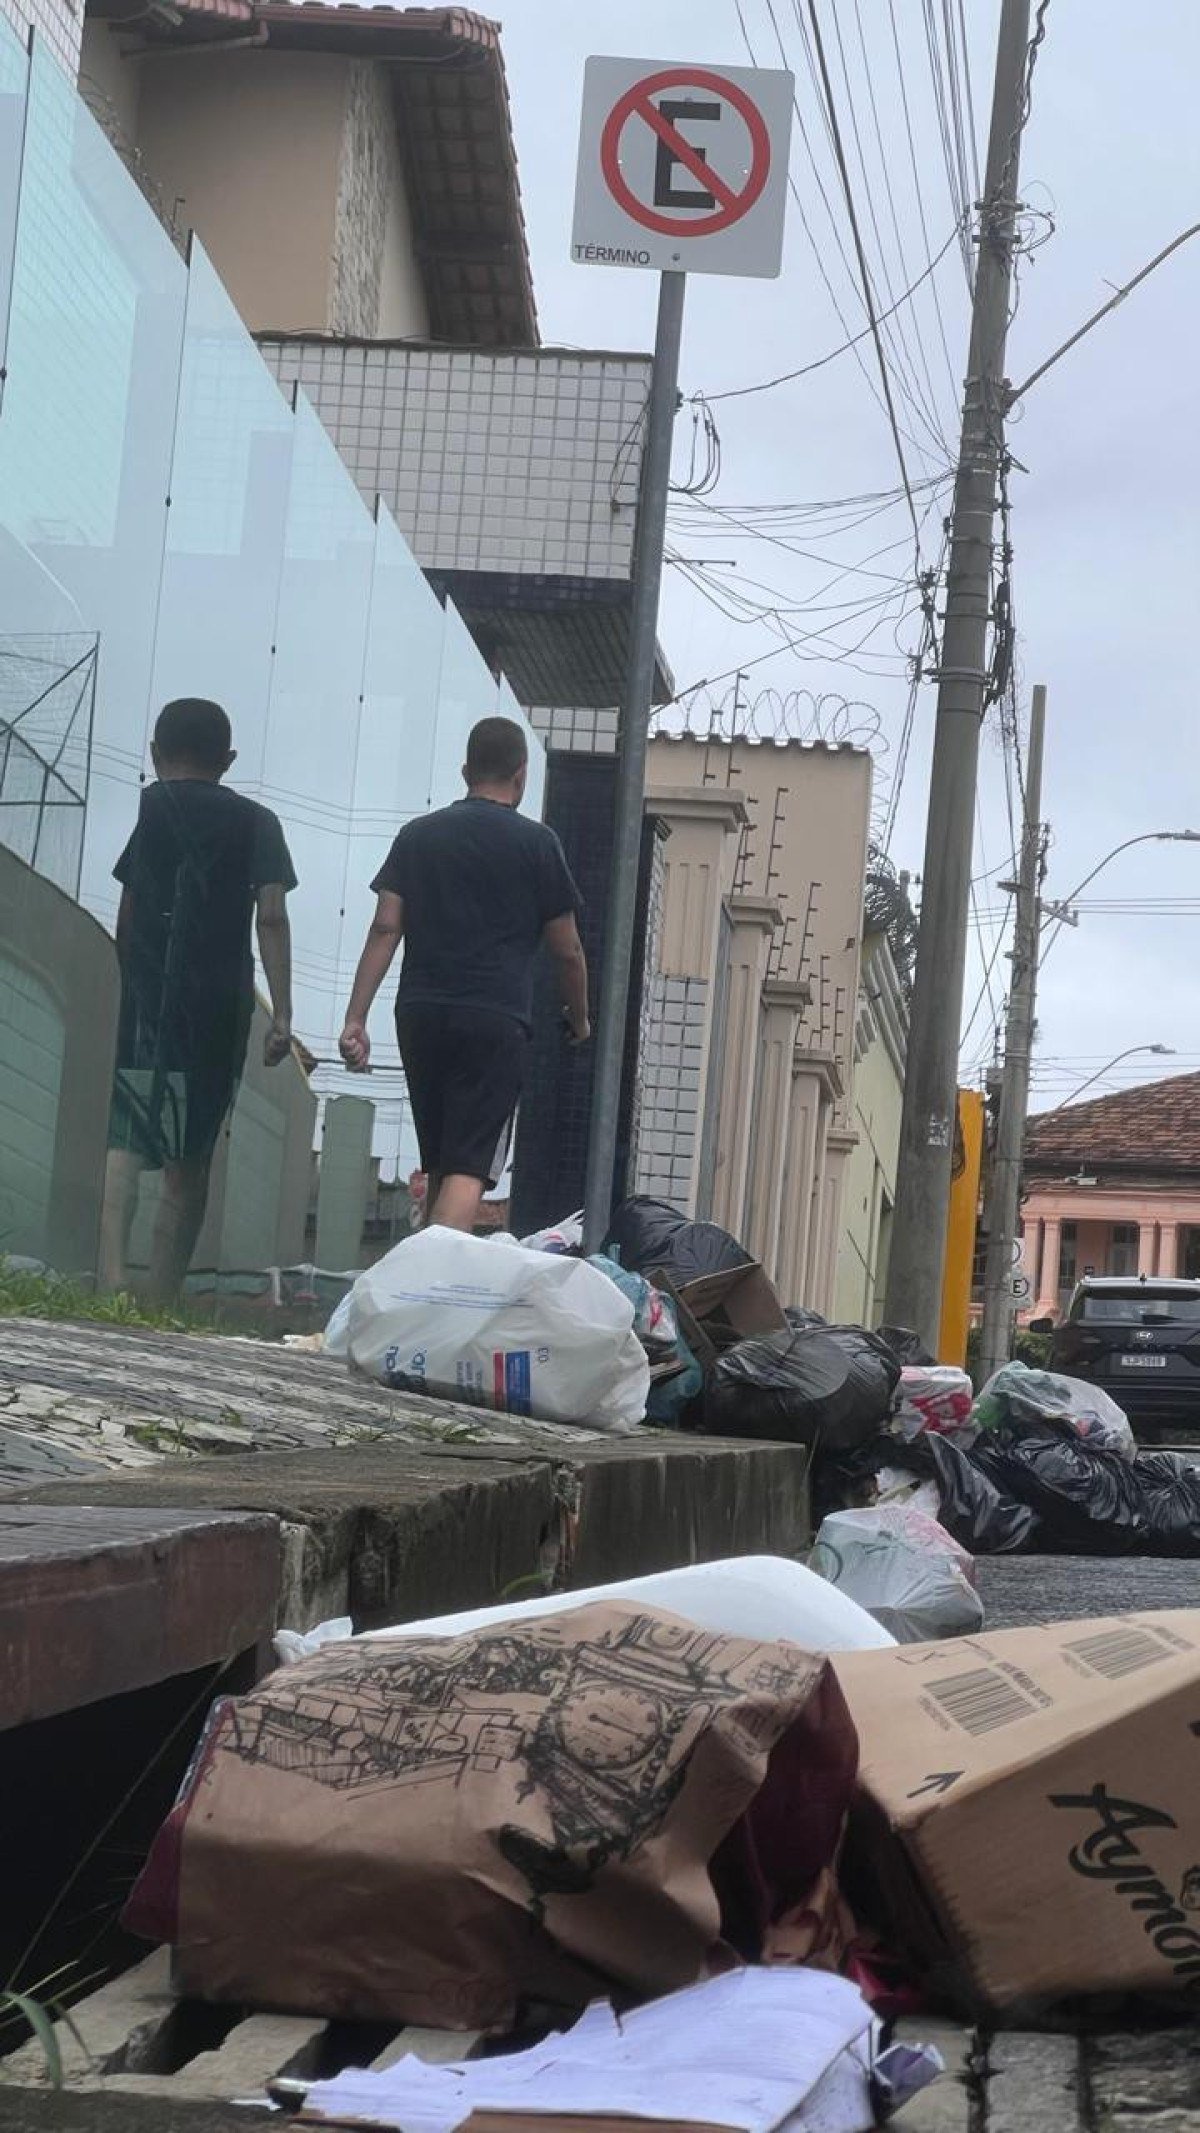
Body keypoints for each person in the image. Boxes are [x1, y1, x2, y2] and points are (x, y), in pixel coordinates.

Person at [339, 715, 588, 1234]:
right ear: (521, 775)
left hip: (421, 1013)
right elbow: (567, 952)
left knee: (438, 1163)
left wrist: (355, 1017)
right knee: (469, 1168)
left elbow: (386, 926)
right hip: (495, 1020)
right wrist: (579, 1018)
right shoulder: (539, 845)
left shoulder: (417, 837)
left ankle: (414, 1288)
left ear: (464, 771)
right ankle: (426, 1292)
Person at [99, 698, 296, 1301]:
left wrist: (135, 982)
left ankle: (109, 1286)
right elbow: (272, 917)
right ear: (228, 760)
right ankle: (160, 1292)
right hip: (217, 1003)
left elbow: (128, 916)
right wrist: (282, 1013)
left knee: (127, 1136)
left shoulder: (149, 809)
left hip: (150, 995)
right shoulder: (257, 821)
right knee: (193, 1147)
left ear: (155, 753)